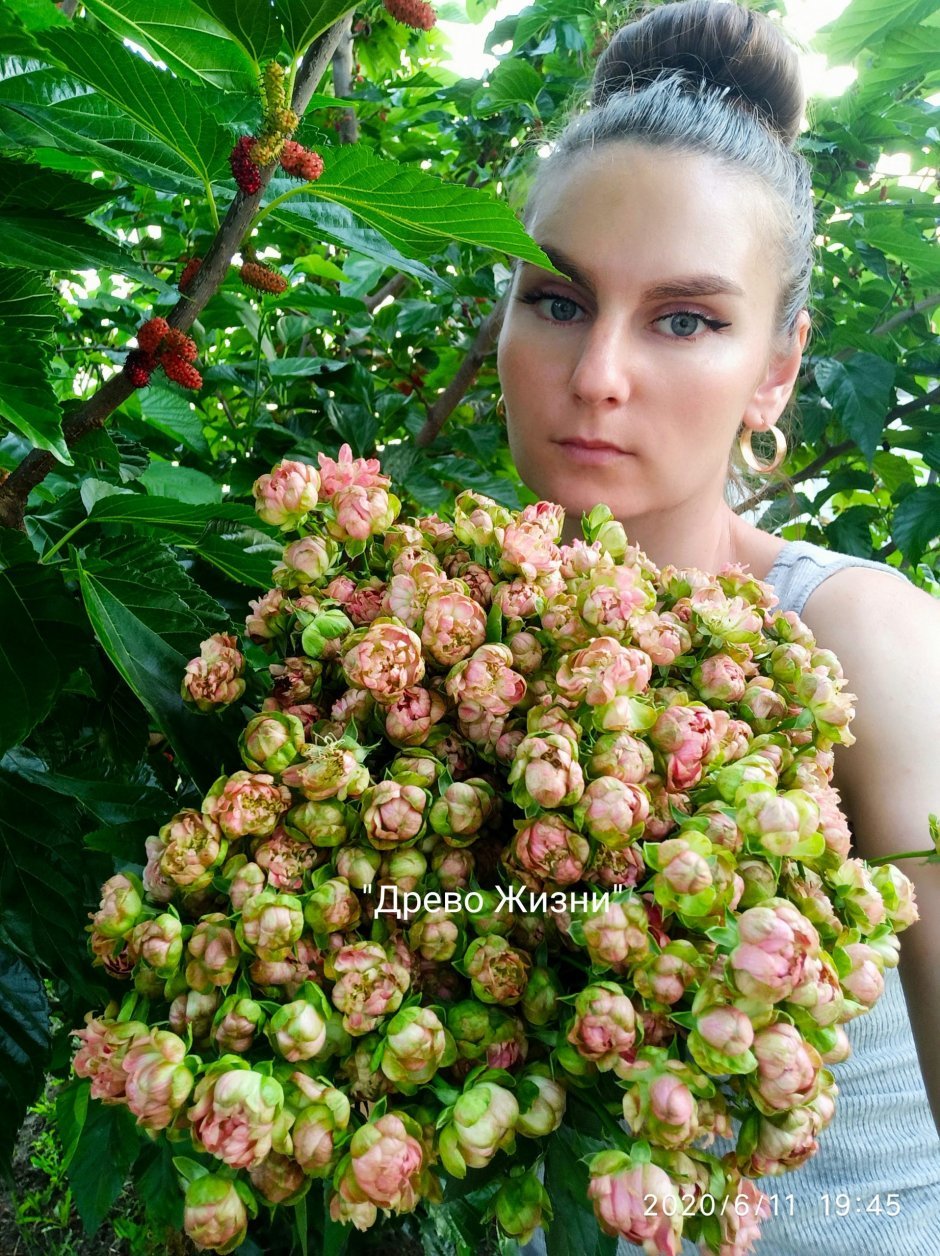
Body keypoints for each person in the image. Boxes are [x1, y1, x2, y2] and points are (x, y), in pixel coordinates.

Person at [495, 2, 940, 1252]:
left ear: (776, 371)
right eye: (558, 301)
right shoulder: (450, 633)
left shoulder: (859, 637)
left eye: (685, 318)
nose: (598, 376)